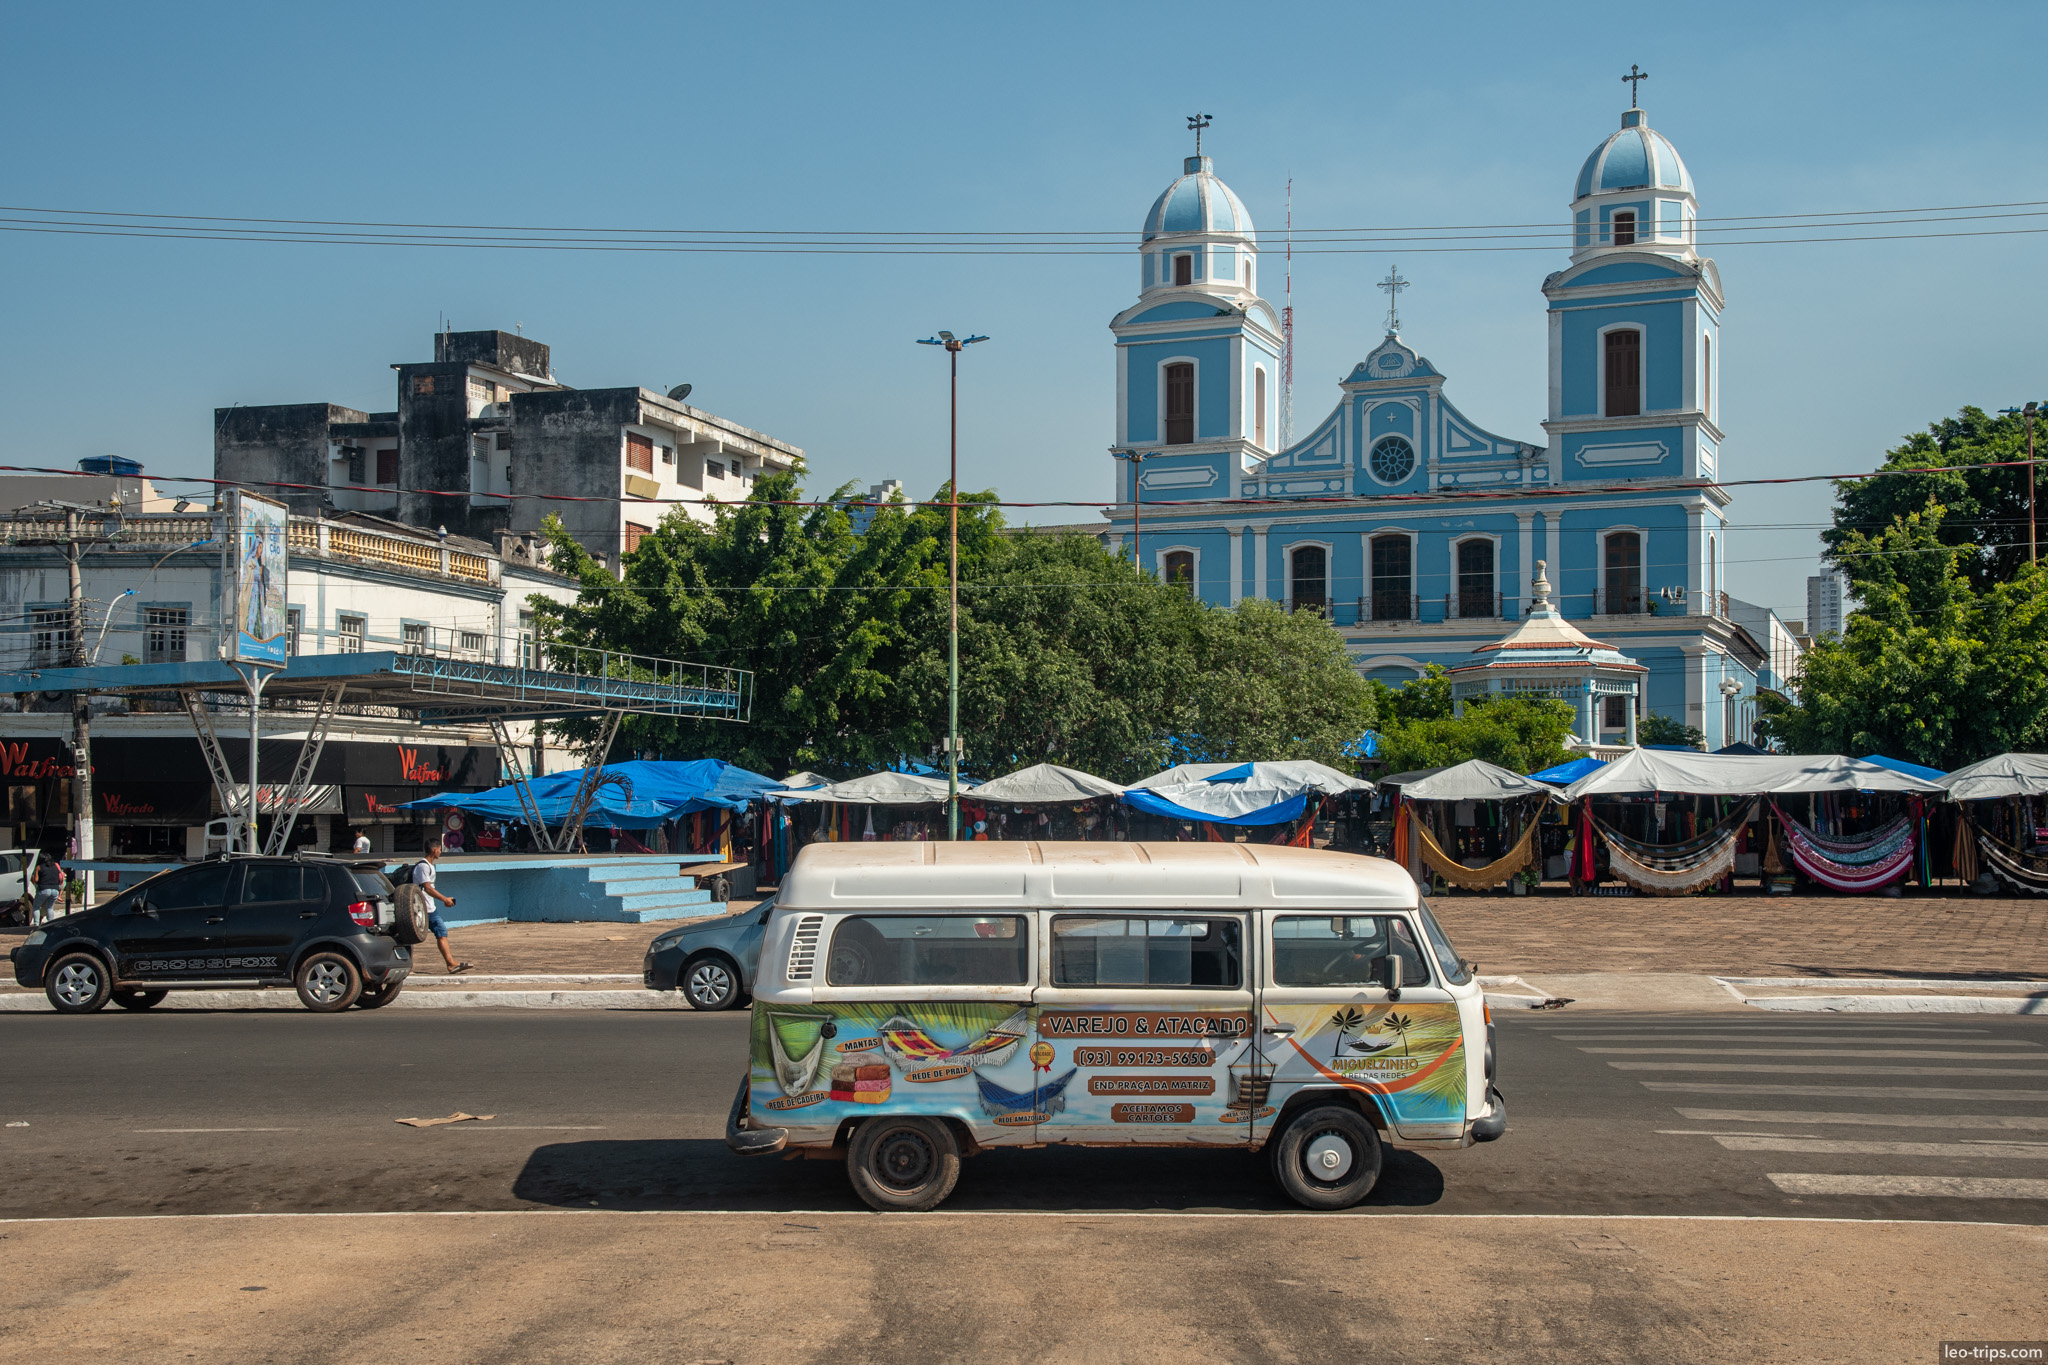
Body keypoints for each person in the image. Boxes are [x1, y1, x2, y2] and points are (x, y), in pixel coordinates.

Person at [411, 840, 473, 974]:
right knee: (411, 937)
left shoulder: (430, 866)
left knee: (441, 932)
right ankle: (407, 967)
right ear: (434, 850)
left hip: (429, 908)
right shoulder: (423, 866)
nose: (440, 852)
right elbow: (427, 888)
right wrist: (444, 899)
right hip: (419, 909)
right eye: (439, 849)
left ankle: (451, 964)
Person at [31, 852, 64, 926]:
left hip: (43, 889)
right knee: (50, 907)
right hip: (55, 890)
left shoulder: (39, 867)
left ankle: (36, 924)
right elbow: (60, 877)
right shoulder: (56, 865)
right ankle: (50, 923)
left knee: (36, 907)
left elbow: (36, 880)